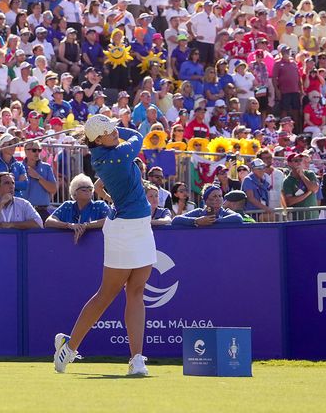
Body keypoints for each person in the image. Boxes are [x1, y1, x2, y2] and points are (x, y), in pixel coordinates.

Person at [54, 114, 154, 377]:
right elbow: (139, 136)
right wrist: (116, 127)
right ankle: (70, 347)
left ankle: (137, 359)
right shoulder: (115, 154)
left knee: (136, 292)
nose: (115, 134)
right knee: (107, 294)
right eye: (109, 132)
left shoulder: (107, 148)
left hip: (141, 225)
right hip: (123, 228)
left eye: (113, 130)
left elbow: (124, 137)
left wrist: (104, 129)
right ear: (98, 139)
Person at [45, 174, 110, 241]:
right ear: (74, 192)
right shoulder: (67, 206)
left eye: (90, 189)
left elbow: (110, 220)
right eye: (84, 189)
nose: (88, 191)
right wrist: (69, 225)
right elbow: (48, 222)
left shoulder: (99, 205)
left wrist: (87, 225)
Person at [170, 185, 246, 226]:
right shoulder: (199, 212)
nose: (218, 199)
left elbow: (238, 218)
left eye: (220, 196)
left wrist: (214, 221)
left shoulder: (225, 212)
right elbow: (176, 220)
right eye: (214, 196)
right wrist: (196, 221)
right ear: (206, 200)